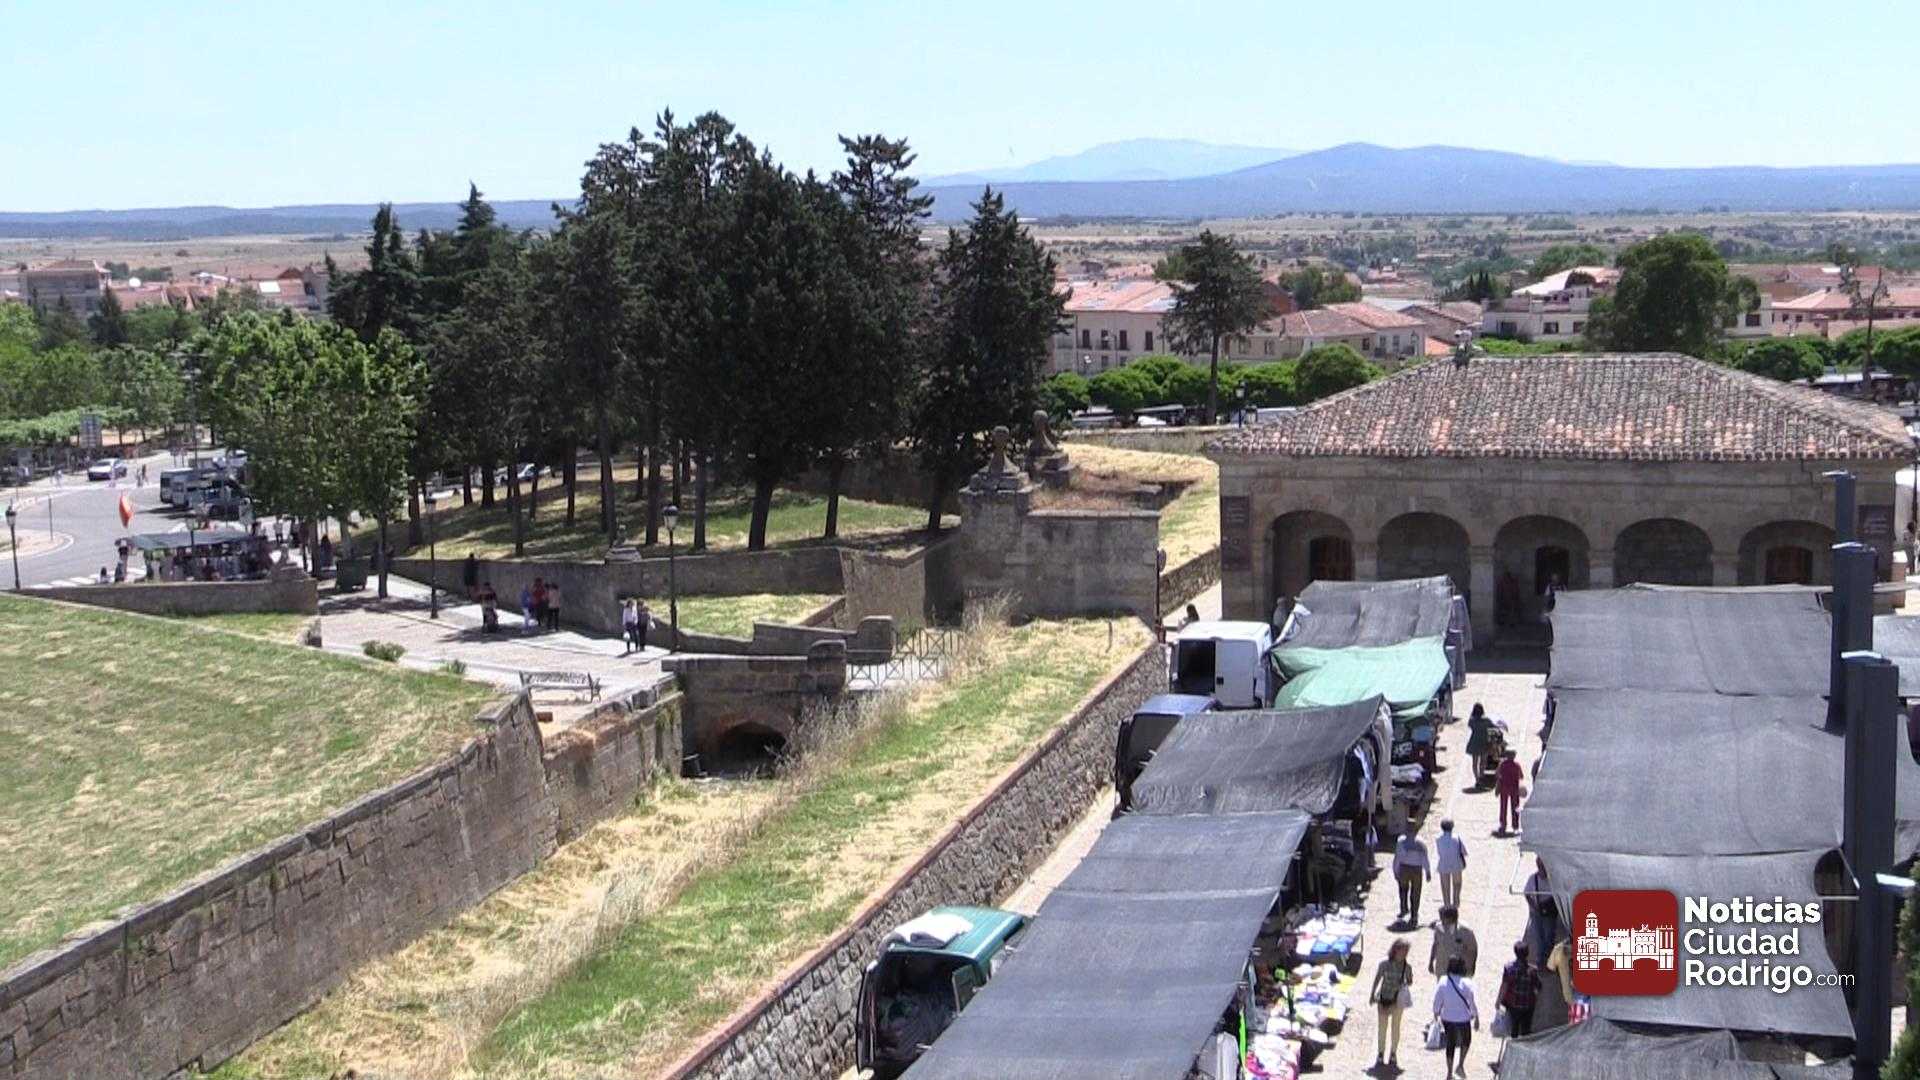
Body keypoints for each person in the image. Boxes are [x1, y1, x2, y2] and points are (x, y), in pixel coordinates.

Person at [1432, 955, 1479, 1079]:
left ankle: (1449, 1073)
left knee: (1450, 1045)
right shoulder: (1467, 983)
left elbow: (1437, 999)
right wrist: (1476, 1017)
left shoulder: (1443, 981)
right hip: (1463, 1018)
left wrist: (1436, 1013)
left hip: (1447, 1017)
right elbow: (1472, 1002)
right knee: (1466, 1041)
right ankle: (1461, 1064)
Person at [1370, 937, 1415, 1068]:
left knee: (1396, 1027)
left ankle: (1393, 1053)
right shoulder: (1384, 964)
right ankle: (1380, 1053)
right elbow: (1377, 978)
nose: (1405, 954)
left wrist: (1408, 979)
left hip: (1397, 1001)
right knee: (1382, 1028)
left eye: (1406, 951)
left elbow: (1410, 982)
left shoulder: (1407, 967)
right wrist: (1372, 994)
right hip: (1384, 998)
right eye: (1403, 951)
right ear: (1395, 950)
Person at [1497, 941, 1541, 1040]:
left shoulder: (1509, 969)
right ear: (1527, 953)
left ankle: (1514, 1042)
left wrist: (1498, 1001)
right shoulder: (1533, 970)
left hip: (1513, 1004)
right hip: (1528, 1005)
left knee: (1514, 1028)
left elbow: (1504, 986)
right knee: (1526, 1029)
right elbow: (1538, 986)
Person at [1523, 858, 1559, 965]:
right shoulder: (1533, 879)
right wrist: (1533, 906)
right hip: (1536, 912)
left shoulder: (1553, 879)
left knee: (1549, 936)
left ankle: (1548, 960)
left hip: (1549, 913)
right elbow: (1527, 893)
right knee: (1539, 937)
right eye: (1540, 866)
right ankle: (1541, 960)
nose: (1542, 869)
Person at [1429, 905, 1479, 978]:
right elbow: (1435, 945)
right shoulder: (1439, 928)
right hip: (1442, 968)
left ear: (1451, 918)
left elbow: (1472, 950)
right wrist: (1431, 962)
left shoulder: (1465, 931)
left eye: (1443, 918)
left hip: (1459, 970)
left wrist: (1470, 967)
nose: (1441, 920)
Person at [1392, 830, 1430, 925]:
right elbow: (1424, 858)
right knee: (1416, 892)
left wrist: (1395, 870)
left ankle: (1404, 908)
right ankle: (1414, 915)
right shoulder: (1421, 842)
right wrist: (1427, 871)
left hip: (1404, 868)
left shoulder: (1401, 841)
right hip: (1416, 869)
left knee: (1403, 890)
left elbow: (1398, 857)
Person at [1434, 819, 1467, 910]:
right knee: (1457, 884)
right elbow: (1464, 852)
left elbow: (1439, 852)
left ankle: (1447, 904)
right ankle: (1456, 903)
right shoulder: (1457, 838)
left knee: (1445, 886)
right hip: (1456, 863)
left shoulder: (1438, 839)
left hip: (1443, 864)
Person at [1496, 750, 1526, 836]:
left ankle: (1503, 824)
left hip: (1504, 788)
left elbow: (1497, 774)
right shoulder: (1516, 765)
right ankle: (1515, 825)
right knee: (1515, 807)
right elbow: (1521, 776)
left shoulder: (1502, 764)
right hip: (1514, 789)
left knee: (1503, 807)